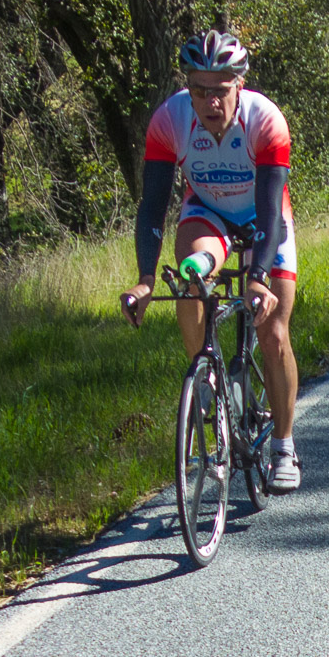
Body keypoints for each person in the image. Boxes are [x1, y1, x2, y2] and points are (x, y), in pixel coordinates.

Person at [120, 28, 303, 493]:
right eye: (199, 91)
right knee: (189, 276)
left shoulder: (266, 121)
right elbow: (152, 207)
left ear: (239, 85)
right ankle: (208, 382)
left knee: (273, 331)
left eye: (220, 90)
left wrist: (258, 278)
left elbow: (270, 210)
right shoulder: (170, 119)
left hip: (264, 219)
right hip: (207, 214)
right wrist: (145, 279)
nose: (210, 102)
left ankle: (284, 446)